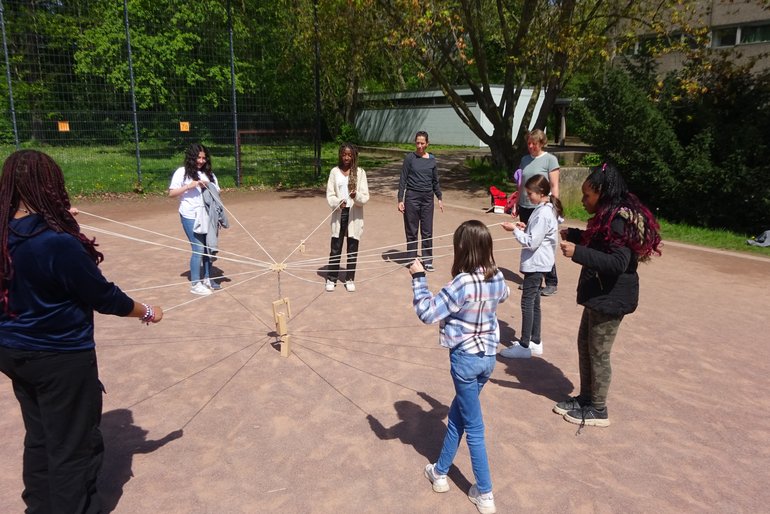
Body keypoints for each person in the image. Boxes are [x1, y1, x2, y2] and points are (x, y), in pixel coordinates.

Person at [0, 150, 164, 514]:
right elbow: (103, 297)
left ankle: (38, 508)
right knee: (73, 447)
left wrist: (61, 226)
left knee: (41, 436)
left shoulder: (12, 232)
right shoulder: (56, 243)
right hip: (59, 359)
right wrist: (148, 311)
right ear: (51, 185)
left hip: (13, 352)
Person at [410, 220, 509, 514]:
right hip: (488, 359)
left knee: (474, 428)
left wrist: (418, 278)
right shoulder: (498, 277)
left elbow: (427, 313)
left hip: (465, 361)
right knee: (458, 417)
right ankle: (440, 472)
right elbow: (503, 295)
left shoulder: (461, 283)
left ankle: (485, 493)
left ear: (461, 249)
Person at [554, 162, 661, 427]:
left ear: (601, 192)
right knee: (585, 346)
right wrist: (578, 236)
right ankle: (586, 398)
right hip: (599, 294)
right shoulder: (607, 215)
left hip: (611, 297)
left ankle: (599, 409)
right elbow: (600, 243)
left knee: (598, 352)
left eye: (587, 196)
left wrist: (577, 253)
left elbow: (617, 262)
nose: (582, 201)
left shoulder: (619, 219)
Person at [499, 175, 563, 359]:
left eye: (530, 193)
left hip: (536, 263)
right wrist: (523, 227)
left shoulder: (544, 212)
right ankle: (535, 341)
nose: (528, 197)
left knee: (527, 302)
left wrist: (515, 230)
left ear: (541, 193)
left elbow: (532, 242)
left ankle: (525, 344)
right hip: (538, 262)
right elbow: (535, 233)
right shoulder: (543, 209)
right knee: (534, 302)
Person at [168, 143, 221, 295]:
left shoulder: (209, 174)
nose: (201, 161)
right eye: (199, 157)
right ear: (192, 157)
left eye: (204, 158)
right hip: (190, 215)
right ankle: (195, 284)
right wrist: (189, 186)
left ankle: (208, 278)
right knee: (198, 248)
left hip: (208, 216)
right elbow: (171, 193)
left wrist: (211, 187)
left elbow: (217, 192)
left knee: (208, 248)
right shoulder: (182, 172)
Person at [517, 128, 560, 296]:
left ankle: (551, 281)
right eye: (528, 143)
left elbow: (555, 185)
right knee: (529, 243)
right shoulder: (524, 159)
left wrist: (554, 206)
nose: (530, 146)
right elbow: (521, 183)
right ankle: (531, 279)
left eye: (534, 144)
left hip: (542, 207)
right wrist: (516, 202)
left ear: (541, 143)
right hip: (525, 205)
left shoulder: (550, 159)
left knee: (543, 245)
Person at [325, 143, 370, 292]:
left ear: (354, 156)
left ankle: (350, 278)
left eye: (349, 155)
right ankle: (331, 278)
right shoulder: (334, 172)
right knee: (336, 248)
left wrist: (355, 195)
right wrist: (338, 203)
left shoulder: (360, 173)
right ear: (340, 155)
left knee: (352, 248)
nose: (346, 157)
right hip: (340, 213)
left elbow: (365, 197)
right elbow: (330, 195)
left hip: (354, 215)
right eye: (344, 154)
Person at [397, 130, 443, 271]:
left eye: (422, 143)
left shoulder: (432, 160)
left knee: (427, 230)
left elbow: (435, 181)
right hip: (412, 197)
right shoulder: (409, 158)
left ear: (427, 144)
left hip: (427, 198)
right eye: (417, 143)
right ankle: (412, 259)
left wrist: (439, 197)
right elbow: (403, 179)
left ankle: (427, 260)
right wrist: (400, 199)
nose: (419, 146)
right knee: (412, 230)